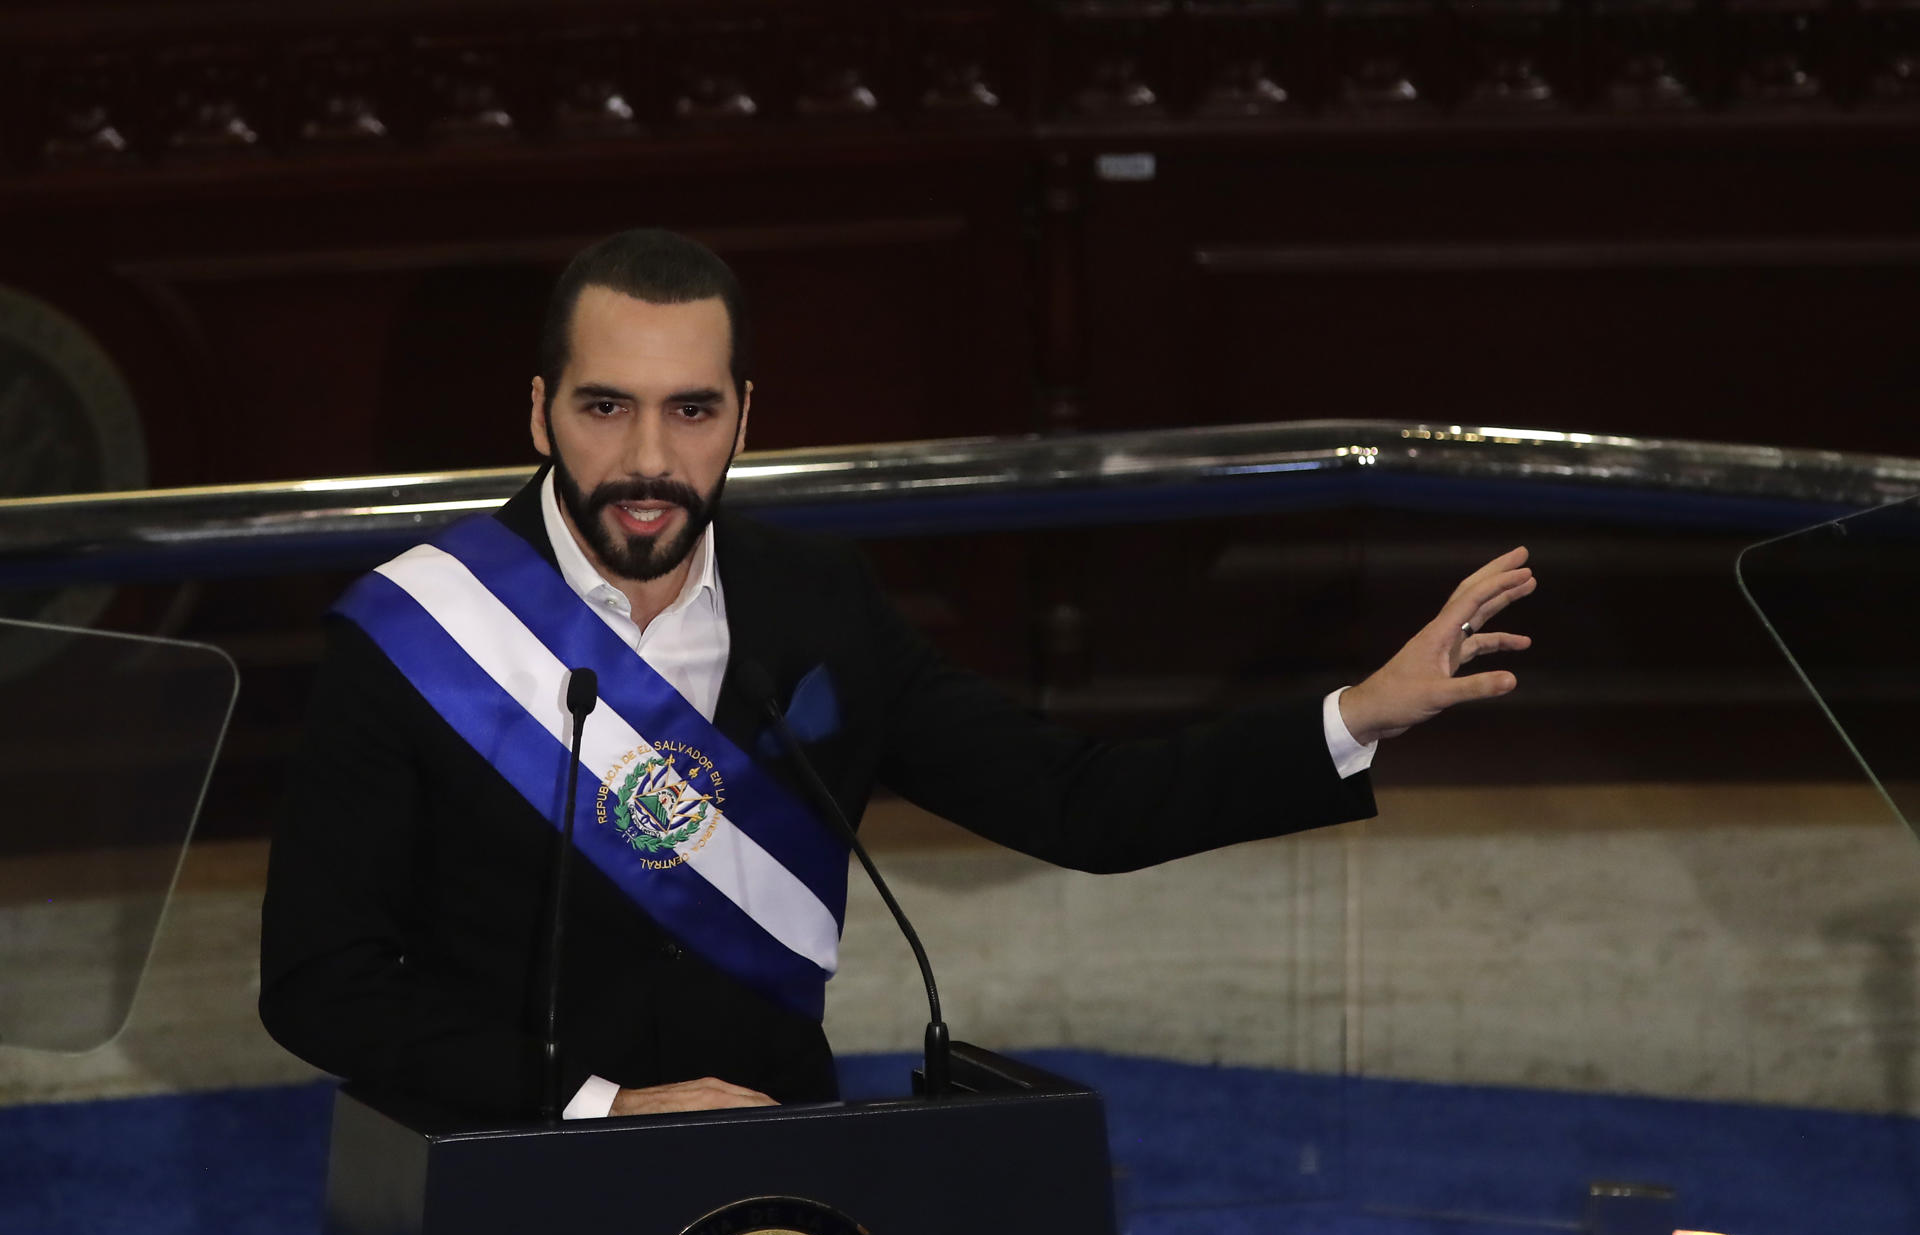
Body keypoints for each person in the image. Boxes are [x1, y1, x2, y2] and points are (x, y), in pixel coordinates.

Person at [259, 229, 1535, 1122]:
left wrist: (1351, 717)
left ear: (746, 417)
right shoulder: (413, 636)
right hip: (507, 1170)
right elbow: (320, 981)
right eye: (606, 408)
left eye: (691, 411)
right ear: (539, 412)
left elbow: (1076, 802)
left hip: (781, 1188)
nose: (648, 458)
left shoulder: (822, 610)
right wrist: (598, 1105)